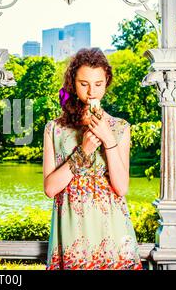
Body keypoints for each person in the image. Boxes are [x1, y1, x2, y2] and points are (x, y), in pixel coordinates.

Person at [43, 48, 142, 270]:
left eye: (98, 84)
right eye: (84, 83)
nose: (91, 92)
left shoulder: (120, 128)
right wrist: (83, 151)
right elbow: (50, 189)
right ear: (72, 82)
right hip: (71, 234)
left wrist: (108, 139)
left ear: (106, 81)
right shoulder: (55, 129)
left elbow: (121, 187)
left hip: (113, 232)